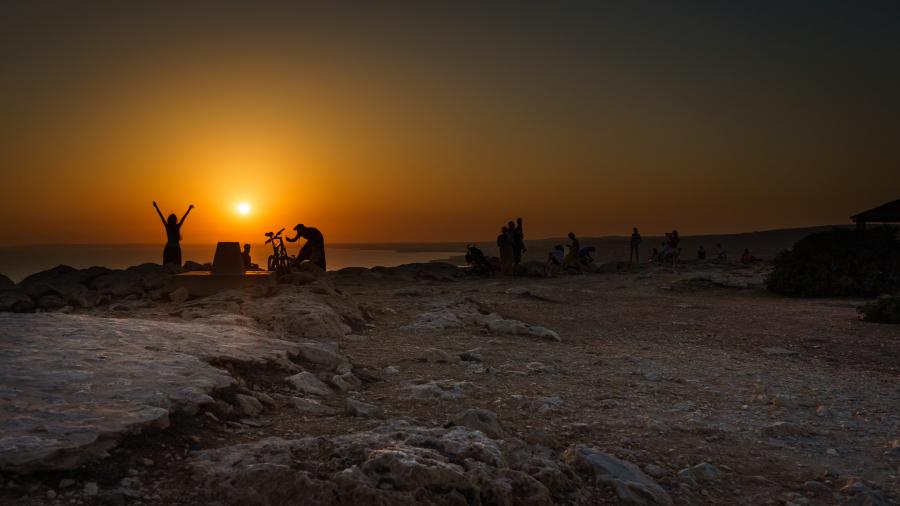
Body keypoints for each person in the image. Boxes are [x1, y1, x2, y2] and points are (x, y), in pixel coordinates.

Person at [153, 201, 193, 266]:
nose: (173, 220)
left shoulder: (174, 226)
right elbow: (161, 216)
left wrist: (189, 209)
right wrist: (156, 207)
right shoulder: (170, 226)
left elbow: (184, 218)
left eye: (174, 219)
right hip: (171, 249)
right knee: (170, 266)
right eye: (173, 219)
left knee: (172, 266)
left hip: (173, 249)